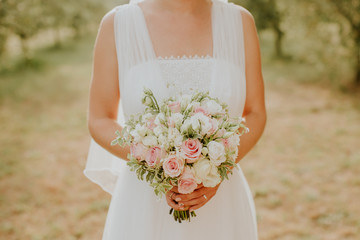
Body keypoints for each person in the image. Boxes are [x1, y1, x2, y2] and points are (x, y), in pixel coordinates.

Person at [84, 0, 266, 239]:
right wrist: (157, 163)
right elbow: (100, 119)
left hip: (221, 202)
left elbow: (255, 112)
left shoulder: (240, 22)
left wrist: (216, 169)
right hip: (144, 204)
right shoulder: (118, 24)